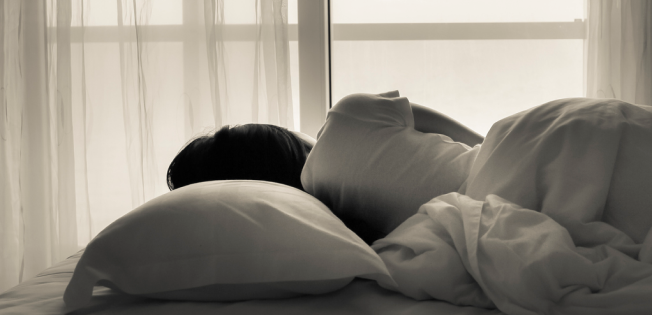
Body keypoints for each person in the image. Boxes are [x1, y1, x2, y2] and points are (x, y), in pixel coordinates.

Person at [166, 91, 484, 243]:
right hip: (511, 161)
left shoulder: (340, 230)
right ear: (279, 137)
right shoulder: (349, 114)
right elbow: (480, 142)